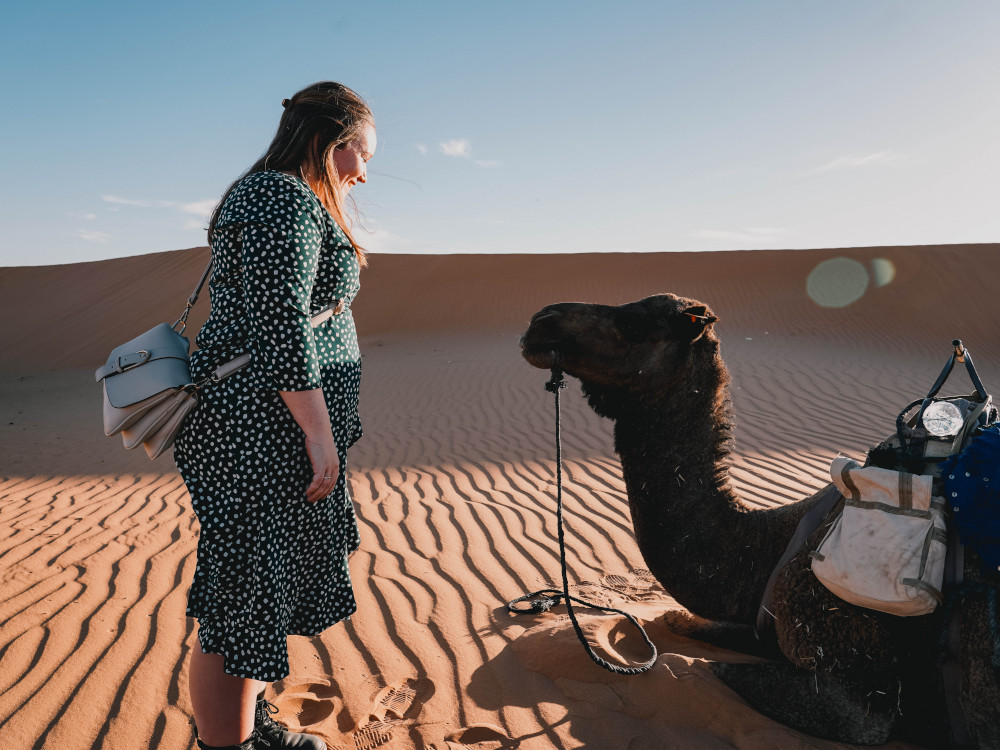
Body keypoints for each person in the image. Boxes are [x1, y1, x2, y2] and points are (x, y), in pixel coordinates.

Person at [173, 81, 376, 750]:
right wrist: (319, 433)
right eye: (361, 155)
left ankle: (248, 728)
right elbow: (280, 325)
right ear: (331, 142)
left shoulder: (286, 198)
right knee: (242, 604)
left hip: (273, 428)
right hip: (256, 431)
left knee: (262, 589)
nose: (364, 172)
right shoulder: (276, 198)